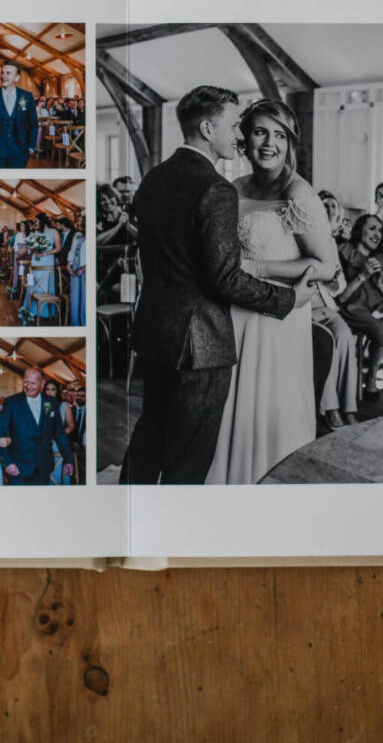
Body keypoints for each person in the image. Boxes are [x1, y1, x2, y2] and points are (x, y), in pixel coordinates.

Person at [121, 86, 310, 485]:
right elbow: (223, 278)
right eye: (233, 125)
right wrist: (289, 299)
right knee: (188, 461)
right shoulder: (215, 188)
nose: (239, 135)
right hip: (200, 346)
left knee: (149, 439)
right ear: (207, 128)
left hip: (154, 333)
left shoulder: (152, 179)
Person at [209, 99, 338, 481]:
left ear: (290, 143)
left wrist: (256, 268)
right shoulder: (234, 188)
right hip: (236, 312)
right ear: (245, 138)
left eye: (279, 135)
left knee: (270, 407)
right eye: (261, 132)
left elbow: (326, 266)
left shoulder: (299, 193)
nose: (269, 143)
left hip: (279, 319)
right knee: (234, 406)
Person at [336, 213, 383, 401]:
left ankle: (371, 373)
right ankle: (371, 376)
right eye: (372, 228)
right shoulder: (342, 253)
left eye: (380, 230)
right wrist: (362, 275)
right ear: (360, 231)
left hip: (379, 304)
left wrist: (381, 283)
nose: (378, 234)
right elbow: (340, 298)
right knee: (379, 325)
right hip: (352, 307)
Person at [0, 367, 74, 485]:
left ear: (42, 383)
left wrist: (68, 459)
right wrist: (8, 463)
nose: (28, 386)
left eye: (33, 383)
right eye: (26, 382)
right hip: (17, 468)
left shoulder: (52, 402)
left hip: (43, 467)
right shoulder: (12, 403)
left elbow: (60, 433)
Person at [0, 60, 38, 168]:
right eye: (2, 73)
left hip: (19, 152)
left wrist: (31, 147)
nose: (3, 76)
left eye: (8, 73)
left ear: (17, 77)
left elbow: (33, 124)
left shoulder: (26, 96)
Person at [22, 212, 60, 323]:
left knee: (46, 285)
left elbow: (58, 248)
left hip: (47, 261)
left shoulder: (54, 232)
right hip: (36, 262)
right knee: (33, 285)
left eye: (37, 221)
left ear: (43, 221)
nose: (35, 223)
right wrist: (33, 249)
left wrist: (45, 253)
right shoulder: (36, 233)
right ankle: (31, 310)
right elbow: (31, 248)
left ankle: (46, 312)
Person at [67, 215, 87, 326]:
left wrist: (84, 268)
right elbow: (71, 250)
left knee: (84, 298)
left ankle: (84, 323)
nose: (78, 223)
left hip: (84, 270)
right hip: (74, 268)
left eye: (80, 221)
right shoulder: (77, 235)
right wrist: (68, 264)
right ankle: (75, 323)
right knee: (74, 298)